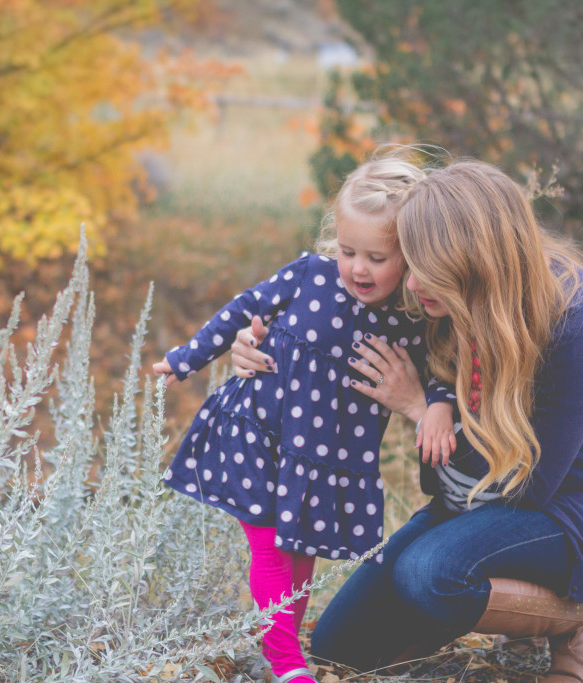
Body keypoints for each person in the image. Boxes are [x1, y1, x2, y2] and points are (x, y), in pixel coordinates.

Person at [230, 157, 583, 682]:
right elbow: (330, 323)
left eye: (430, 269)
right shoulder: (439, 299)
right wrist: (259, 347)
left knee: (429, 573)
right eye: (411, 264)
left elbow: (527, 484)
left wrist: (414, 406)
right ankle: (482, 599)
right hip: (470, 498)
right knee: (342, 647)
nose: (413, 285)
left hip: (573, 512)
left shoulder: (577, 322)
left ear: (476, 261)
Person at [152, 152, 459, 683]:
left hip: (326, 458)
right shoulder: (311, 276)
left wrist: (437, 405)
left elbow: (439, 370)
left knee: (300, 556)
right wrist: (187, 357)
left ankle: (280, 642)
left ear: (410, 258)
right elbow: (242, 309)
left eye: (377, 257)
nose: (358, 268)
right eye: (347, 251)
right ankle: (286, 663)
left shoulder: (413, 320)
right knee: (270, 546)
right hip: (261, 433)